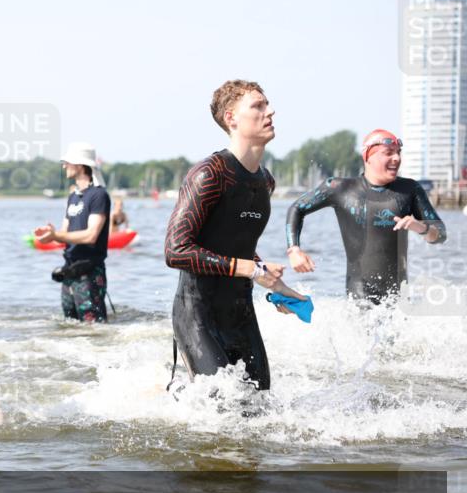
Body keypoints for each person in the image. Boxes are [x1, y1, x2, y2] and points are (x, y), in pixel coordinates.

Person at [164, 80, 304, 391]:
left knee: (258, 408)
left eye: (267, 105)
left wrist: (273, 280)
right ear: (231, 118)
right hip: (197, 312)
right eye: (258, 106)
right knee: (219, 407)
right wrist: (250, 269)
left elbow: (233, 244)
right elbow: (176, 251)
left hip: (240, 312)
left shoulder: (265, 182)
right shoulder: (209, 174)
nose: (270, 112)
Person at [285, 129, 447, 304]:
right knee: (366, 329)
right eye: (388, 153)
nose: (397, 158)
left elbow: (440, 235)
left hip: (399, 298)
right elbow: (297, 208)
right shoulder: (340, 188)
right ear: (368, 157)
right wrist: (294, 250)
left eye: (398, 153)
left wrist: (421, 228)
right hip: (359, 296)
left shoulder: (410, 190)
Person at [33, 142, 111, 322]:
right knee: (71, 327)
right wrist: (49, 234)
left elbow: (91, 235)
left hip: (89, 273)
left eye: (67, 162)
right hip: (69, 271)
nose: (64, 166)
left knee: (94, 329)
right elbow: (65, 233)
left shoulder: (99, 195)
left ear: (80, 164)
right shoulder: (73, 196)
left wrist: (56, 235)